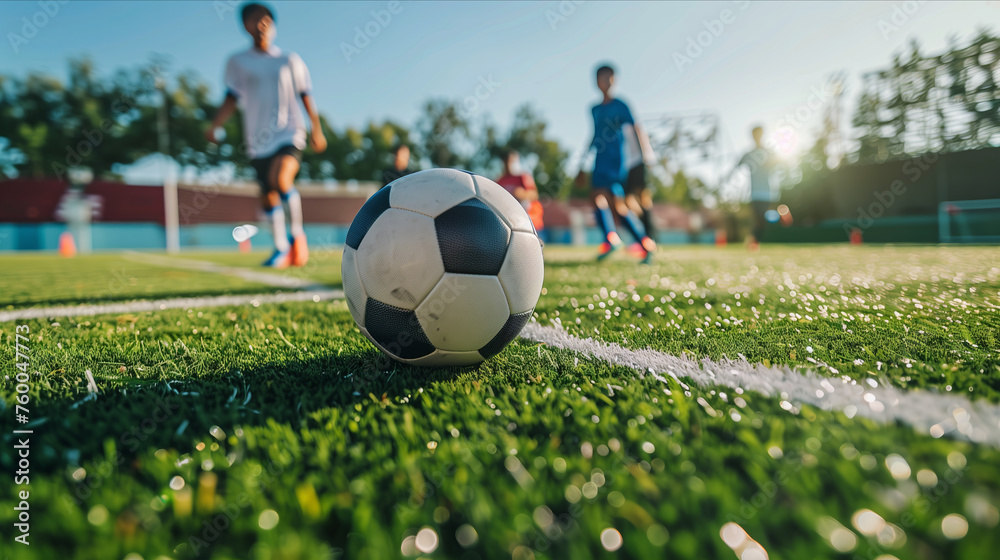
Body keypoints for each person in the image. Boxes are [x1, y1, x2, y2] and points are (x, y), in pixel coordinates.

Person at [205, 2, 326, 269]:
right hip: (257, 141)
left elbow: (306, 95)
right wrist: (215, 125)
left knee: (281, 180)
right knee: (267, 196)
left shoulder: (289, 60)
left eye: (265, 20)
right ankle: (280, 248)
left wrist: (316, 128)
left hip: (289, 133)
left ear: (272, 24)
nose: (260, 25)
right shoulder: (238, 62)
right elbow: (231, 97)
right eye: (253, 20)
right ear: (245, 26)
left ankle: (297, 238)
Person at [578, 64, 656, 264]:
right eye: (601, 78)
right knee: (597, 198)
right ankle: (614, 239)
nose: (605, 82)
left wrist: (644, 157)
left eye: (609, 78)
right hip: (599, 160)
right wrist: (581, 164)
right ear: (595, 81)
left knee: (616, 203)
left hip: (616, 160)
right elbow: (593, 136)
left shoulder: (621, 105)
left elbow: (636, 129)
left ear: (614, 80)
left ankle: (643, 243)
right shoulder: (594, 109)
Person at [727, 126, 778, 250]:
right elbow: (737, 166)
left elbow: (777, 163)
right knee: (757, 220)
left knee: (764, 221)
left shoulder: (769, 152)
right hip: (754, 193)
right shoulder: (748, 154)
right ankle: (754, 244)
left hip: (767, 193)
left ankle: (756, 241)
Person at [622, 118, 657, 253]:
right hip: (625, 166)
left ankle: (649, 239)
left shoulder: (630, 123)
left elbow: (642, 138)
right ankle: (641, 239)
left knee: (642, 200)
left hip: (637, 162)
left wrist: (646, 157)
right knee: (628, 202)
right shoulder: (616, 127)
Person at [495, 150, 544, 236]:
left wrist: (523, 194)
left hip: (525, 216)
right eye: (507, 161)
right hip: (508, 216)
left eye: (511, 161)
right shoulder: (500, 180)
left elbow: (534, 195)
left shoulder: (522, 177)